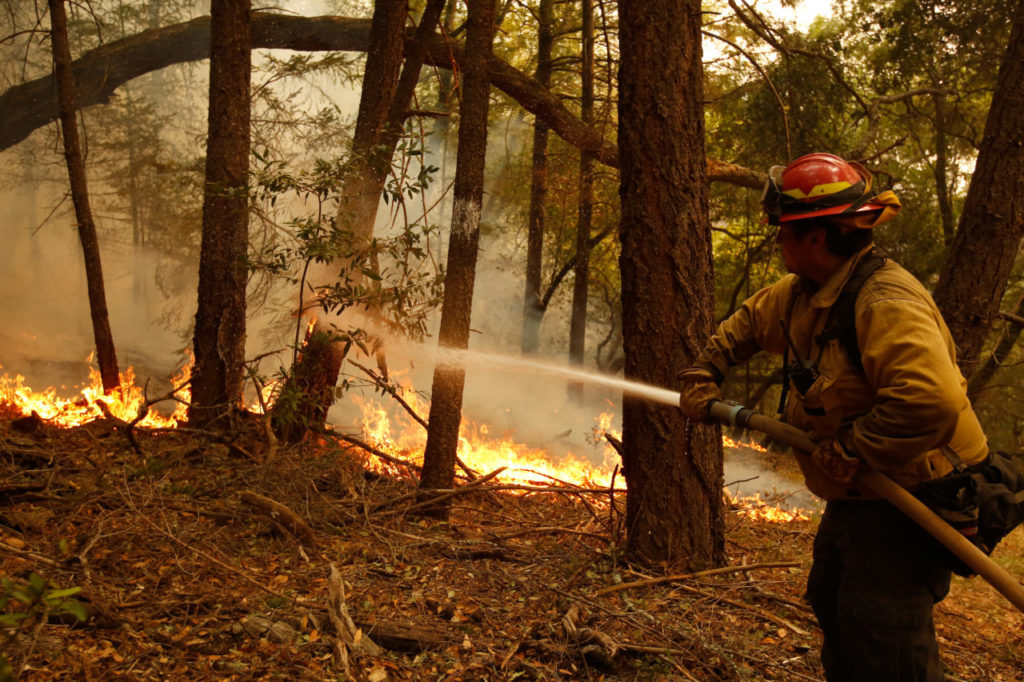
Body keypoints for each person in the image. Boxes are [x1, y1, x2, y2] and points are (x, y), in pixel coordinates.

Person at [677, 152, 989, 681]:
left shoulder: (883, 301)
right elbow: (750, 322)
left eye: (783, 231)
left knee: (882, 634)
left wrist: (852, 448)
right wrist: (706, 370)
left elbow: (930, 400)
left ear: (815, 237)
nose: (777, 242)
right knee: (832, 597)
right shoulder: (809, 291)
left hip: (914, 496)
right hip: (865, 492)